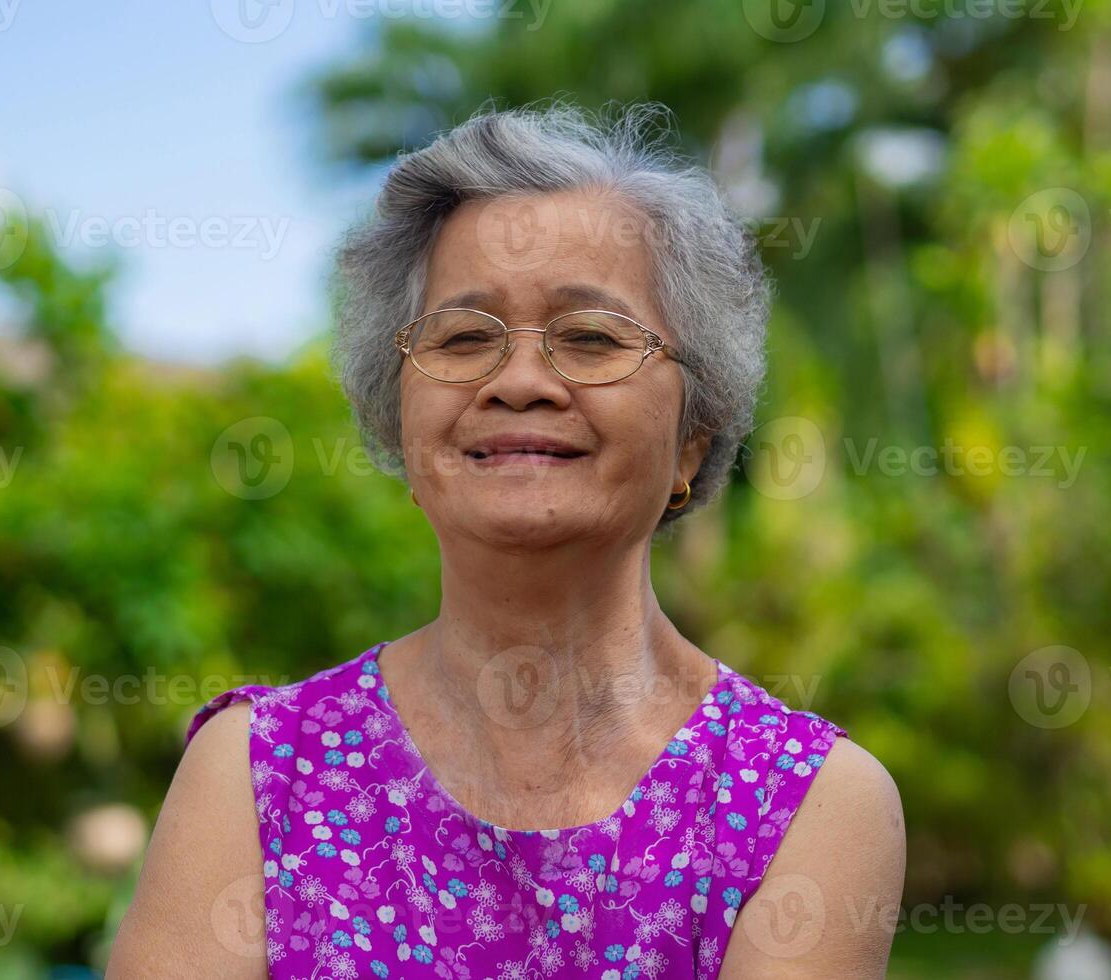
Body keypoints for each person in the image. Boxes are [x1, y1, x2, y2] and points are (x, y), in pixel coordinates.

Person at [108, 101, 906, 979]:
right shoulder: (256, 777)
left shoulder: (808, 803)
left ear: (693, 437)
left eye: (591, 337)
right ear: (398, 425)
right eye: (461, 338)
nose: (519, 380)